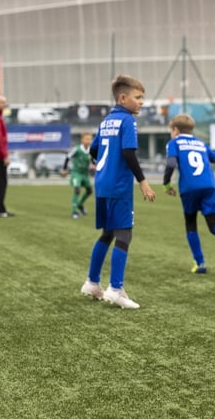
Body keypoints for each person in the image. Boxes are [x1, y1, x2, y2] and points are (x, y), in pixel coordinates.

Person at [80, 75, 156, 309]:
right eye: (138, 97)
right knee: (124, 235)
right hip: (119, 186)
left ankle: (92, 283)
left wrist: (106, 164)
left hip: (102, 184)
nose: (142, 102)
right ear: (123, 98)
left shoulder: (106, 121)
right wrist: (142, 181)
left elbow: (93, 150)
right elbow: (128, 153)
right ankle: (115, 289)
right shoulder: (128, 121)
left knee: (107, 233)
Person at [162, 113, 215, 274]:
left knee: (190, 224)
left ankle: (200, 263)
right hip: (209, 186)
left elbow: (171, 163)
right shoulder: (202, 144)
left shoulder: (174, 142)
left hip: (189, 188)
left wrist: (166, 184)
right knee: (214, 224)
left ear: (175, 130)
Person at [62, 132, 95, 219]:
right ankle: (74, 211)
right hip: (76, 173)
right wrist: (64, 169)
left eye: (90, 139)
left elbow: (93, 161)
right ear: (82, 140)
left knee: (90, 191)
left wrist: (94, 166)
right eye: (87, 139)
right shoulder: (77, 149)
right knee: (77, 190)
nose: (89, 141)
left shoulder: (91, 150)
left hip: (85, 173)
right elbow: (67, 157)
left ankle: (80, 204)